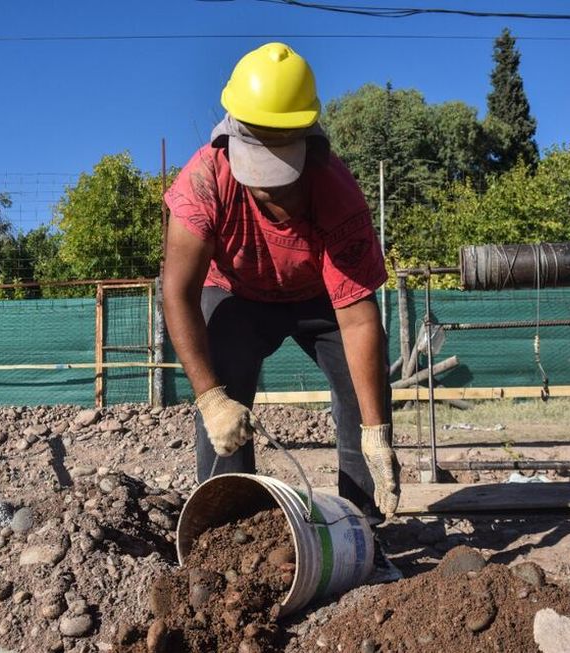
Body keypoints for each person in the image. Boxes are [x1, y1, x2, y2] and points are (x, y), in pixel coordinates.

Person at [161, 42, 401, 533]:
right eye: (259, 178)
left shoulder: (336, 192)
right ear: (230, 137)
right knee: (223, 387)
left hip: (318, 297)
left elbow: (357, 318)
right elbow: (178, 292)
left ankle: (361, 523)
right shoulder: (203, 181)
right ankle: (228, 528)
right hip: (234, 295)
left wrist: (377, 432)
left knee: (361, 393)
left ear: (307, 140)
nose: (269, 191)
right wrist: (210, 399)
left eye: (281, 178)